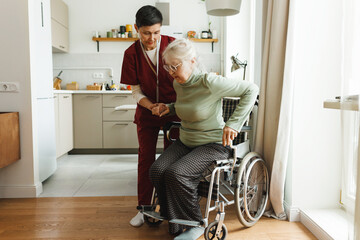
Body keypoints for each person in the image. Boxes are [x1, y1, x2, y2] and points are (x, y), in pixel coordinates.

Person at [149, 39, 259, 240]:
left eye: (175, 66)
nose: (171, 72)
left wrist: (233, 124)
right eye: (168, 67)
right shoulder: (178, 83)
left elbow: (251, 89)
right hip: (186, 141)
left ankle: (196, 223)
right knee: (157, 170)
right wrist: (170, 108)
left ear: (192, 61)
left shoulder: (209, 82)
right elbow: (187, 104)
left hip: (213, 144)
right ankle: (174, 220)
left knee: (177, 173)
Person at [120, 5, 179, 227]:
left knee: (172, 160)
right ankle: (144, 208)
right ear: (137, 29)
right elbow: (135, 91)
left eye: (156, 32)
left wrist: (170, 106)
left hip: (174, 112)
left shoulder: (173, 46)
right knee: (146, 160)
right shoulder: (130, 54)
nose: (152, 38)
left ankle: (170, 206)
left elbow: (185, 80)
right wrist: (151, 106)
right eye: (146, 33)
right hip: (147, 113)